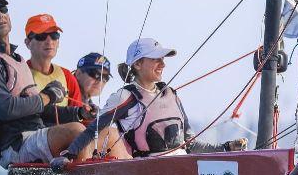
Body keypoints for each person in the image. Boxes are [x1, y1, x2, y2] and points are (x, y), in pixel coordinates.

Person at [0, 0, 112, 168]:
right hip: (14, 145)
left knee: (110, 134)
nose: (0, 15)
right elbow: (5, 109)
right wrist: (47, 96)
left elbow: (40, 111)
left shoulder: (16, 58)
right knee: (76, 131)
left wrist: (79, 113)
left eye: (3, 10)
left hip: (35, 135)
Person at [54, 38, 247, 166]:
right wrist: (68, 155)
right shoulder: (125, 97)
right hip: (149, 171)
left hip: (182, 168)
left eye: (163, 59)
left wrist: (225, 148)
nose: (162, 64)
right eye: (156, 59)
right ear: (137, 64)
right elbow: (93, 129)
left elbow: (189, 144)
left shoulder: (171, 94)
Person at [23, 14, 83, 109]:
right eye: (41, 36)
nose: (49, 41)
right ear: (28, 43)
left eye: (54, 35)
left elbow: (78, 114)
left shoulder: (67, 76)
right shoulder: (19, 73)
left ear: (58, 42)